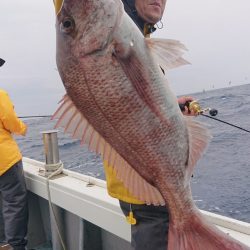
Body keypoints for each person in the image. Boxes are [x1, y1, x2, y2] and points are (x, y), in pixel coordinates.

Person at [103, 1, 196, 250]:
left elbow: (135, 107)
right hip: (143, 189)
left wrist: (173, 108)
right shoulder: (110, 34)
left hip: (163, 178)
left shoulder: (141, 42)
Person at [0, 58, 29, 250]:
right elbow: (10, 121)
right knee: (14, 203)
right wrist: (22, 128)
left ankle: (2, 243)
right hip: (5, 160)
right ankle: (15, 246)